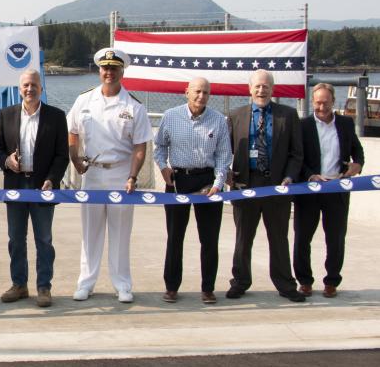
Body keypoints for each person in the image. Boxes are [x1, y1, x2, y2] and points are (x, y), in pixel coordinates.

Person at [68, 48, 151, 304]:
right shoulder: (84, 100)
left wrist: (133, 177)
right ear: (99, 70)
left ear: (122, 71)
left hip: (120, 175)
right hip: (92, 174)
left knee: (120, 233)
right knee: (90, 233)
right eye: (105, 68)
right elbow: (72, 131)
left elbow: (140, 146)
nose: (109, 73)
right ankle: (86, 283)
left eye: (114, 68)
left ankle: (122, 284)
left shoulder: (134, 106)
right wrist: (75, 159)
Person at [226, 69, 306, 302]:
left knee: (279, 238)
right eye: (257, 86)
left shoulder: (288, 115)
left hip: (277, 186)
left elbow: (296, 154)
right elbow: (224, 150)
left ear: (273, 89)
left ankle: (285, 285)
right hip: (245, 185)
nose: (262, 90)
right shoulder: (236, 115)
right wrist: (226, 173)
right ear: (250, 89)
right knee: (243, 239)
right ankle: (240, 281)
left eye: (266, 86)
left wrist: (290, 177)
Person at [0, 69, 68, 308]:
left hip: (43, 186)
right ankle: (19, 285)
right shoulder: (6, 114)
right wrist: (7, 161)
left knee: (44, 239)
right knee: (16, 239)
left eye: (34, 84)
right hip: (15, 184)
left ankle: (44, 287)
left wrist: (52, 179)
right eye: (25, 85)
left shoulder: (56, 116)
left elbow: (61, 155)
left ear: (41, 89)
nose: (30, 89)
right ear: (19, 89)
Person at [153, 77, 232, 305]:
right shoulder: (170, 116)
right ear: (186, 92)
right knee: (175, 237)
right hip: (178, 180)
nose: (201, 96)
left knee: (209, 239)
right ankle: (171, 287)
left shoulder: (218, 120)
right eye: (197, 91)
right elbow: (160, 148)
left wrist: (218, 184)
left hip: (208, 182)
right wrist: (163, 168)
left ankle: (208, 289)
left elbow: (223, 156)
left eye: (206, 92)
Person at [293, 82, 364, 298]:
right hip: (309, 190)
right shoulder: (303, 125)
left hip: (337, 189)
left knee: (335, 238)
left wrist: (356, 165)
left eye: (325, 102)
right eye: (317, 102)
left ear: (334, 101)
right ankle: (304, 281)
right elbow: (297, 157)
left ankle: (332, 281)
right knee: (302, 237)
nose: (321, 107)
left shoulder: (345, 123)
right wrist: (310, 175)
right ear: (312, 102)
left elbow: (357, 152)